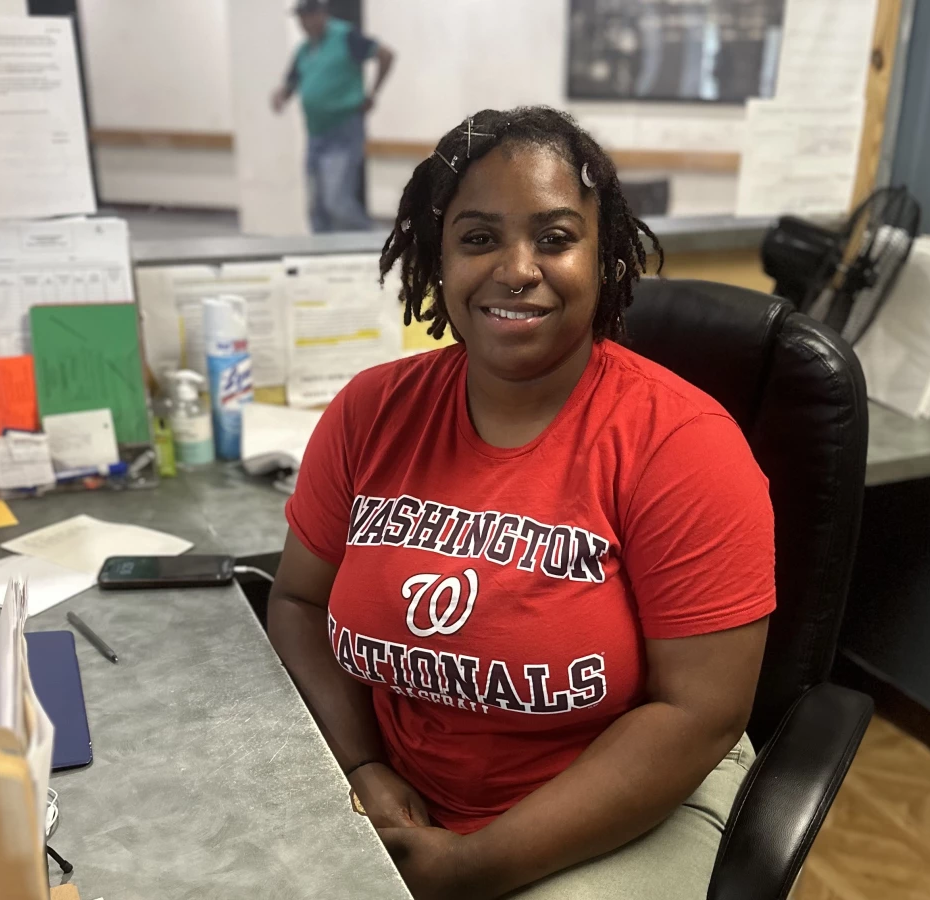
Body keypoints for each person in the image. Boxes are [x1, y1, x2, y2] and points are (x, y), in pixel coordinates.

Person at [268, 106, 775, 900]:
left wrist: (473, 867)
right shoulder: (371, 412)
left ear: (603, 256)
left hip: (629, 808)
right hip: (402, 792)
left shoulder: (684, 446)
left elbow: (697, 714)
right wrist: (362, 764)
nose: (515, 269)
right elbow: (299, 602)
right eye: (478, 238)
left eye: (554, 237)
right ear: (438, 260)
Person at [271, 0, 394, 232]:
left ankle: (376, 242)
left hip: (344, 131)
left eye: (309, 15)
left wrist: (373, 93)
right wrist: (281, 96)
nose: (305, 22)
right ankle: (322, 251)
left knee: (337, 201)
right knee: (316, 207)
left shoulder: (345, 36)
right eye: (301, 18)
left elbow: (385, 55)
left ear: (322, 14)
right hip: (315, 134)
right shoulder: (304, 49)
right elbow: (292, 81)